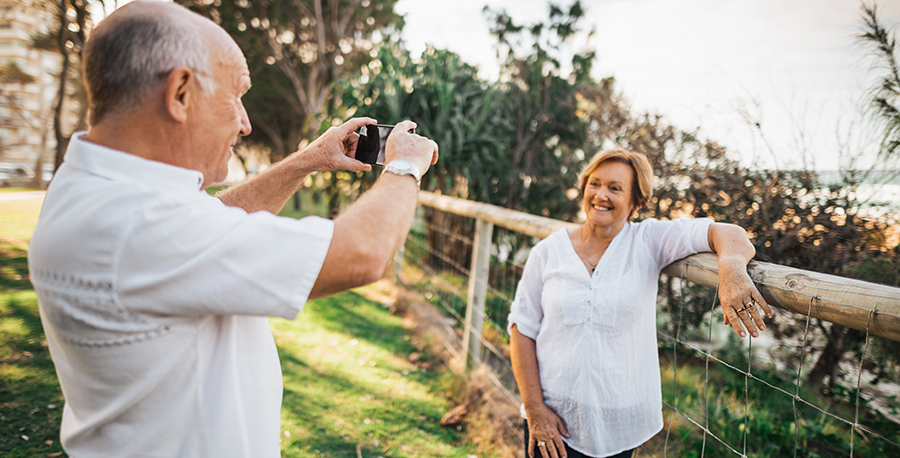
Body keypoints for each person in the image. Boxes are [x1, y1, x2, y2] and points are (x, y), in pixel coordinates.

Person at [27, 2, 438, 457]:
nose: (245, 123)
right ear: (180, 93)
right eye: (235, 96)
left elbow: (209, 221)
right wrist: (404, 164)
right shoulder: (138, 222)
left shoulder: (96, 186)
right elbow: (362, 253)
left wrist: (308, 160)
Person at [506, 149, 773, 458]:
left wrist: (732, 270)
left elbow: (729, 233)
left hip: (619, 425)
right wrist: (535, 410)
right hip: (551, 421)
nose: (601, 195)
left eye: (615, 188)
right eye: (595, 184)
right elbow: (522, 329)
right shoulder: (547, 251)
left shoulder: (648, 240)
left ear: (636, 202)